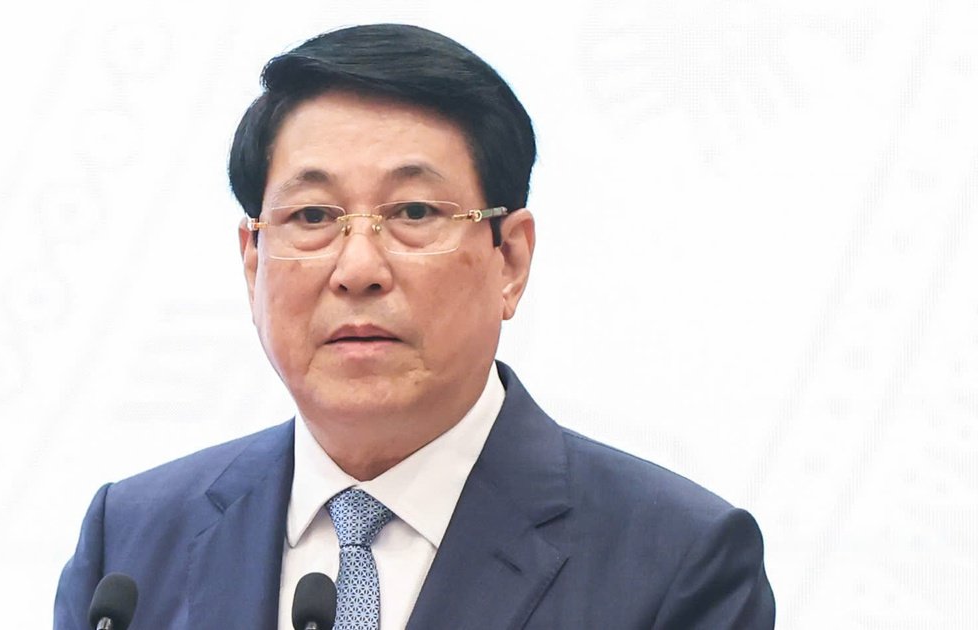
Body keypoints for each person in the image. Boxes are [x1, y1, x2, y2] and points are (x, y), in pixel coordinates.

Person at [54, 23, 776, 629]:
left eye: (414, 213)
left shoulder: (675, 563)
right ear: (253, 262)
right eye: (313, 217)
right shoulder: (132, 544)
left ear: (510, 259)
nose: (358, 268)